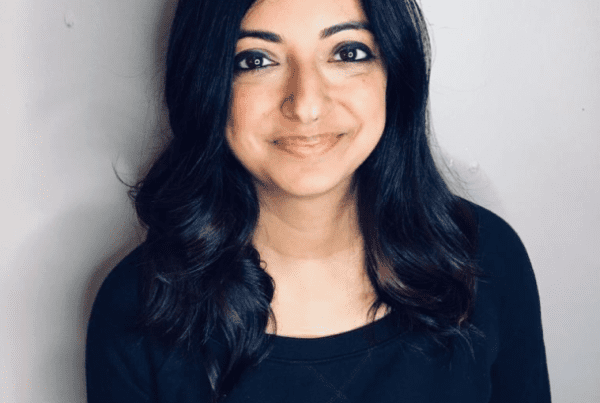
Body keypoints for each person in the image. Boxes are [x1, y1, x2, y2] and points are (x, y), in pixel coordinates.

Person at [85, 0, 551, 401]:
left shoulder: (484, 258)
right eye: (256, 60)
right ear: (205, 83)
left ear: (394, 72)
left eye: (348, 53)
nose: (306, 105)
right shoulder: (137, 310)